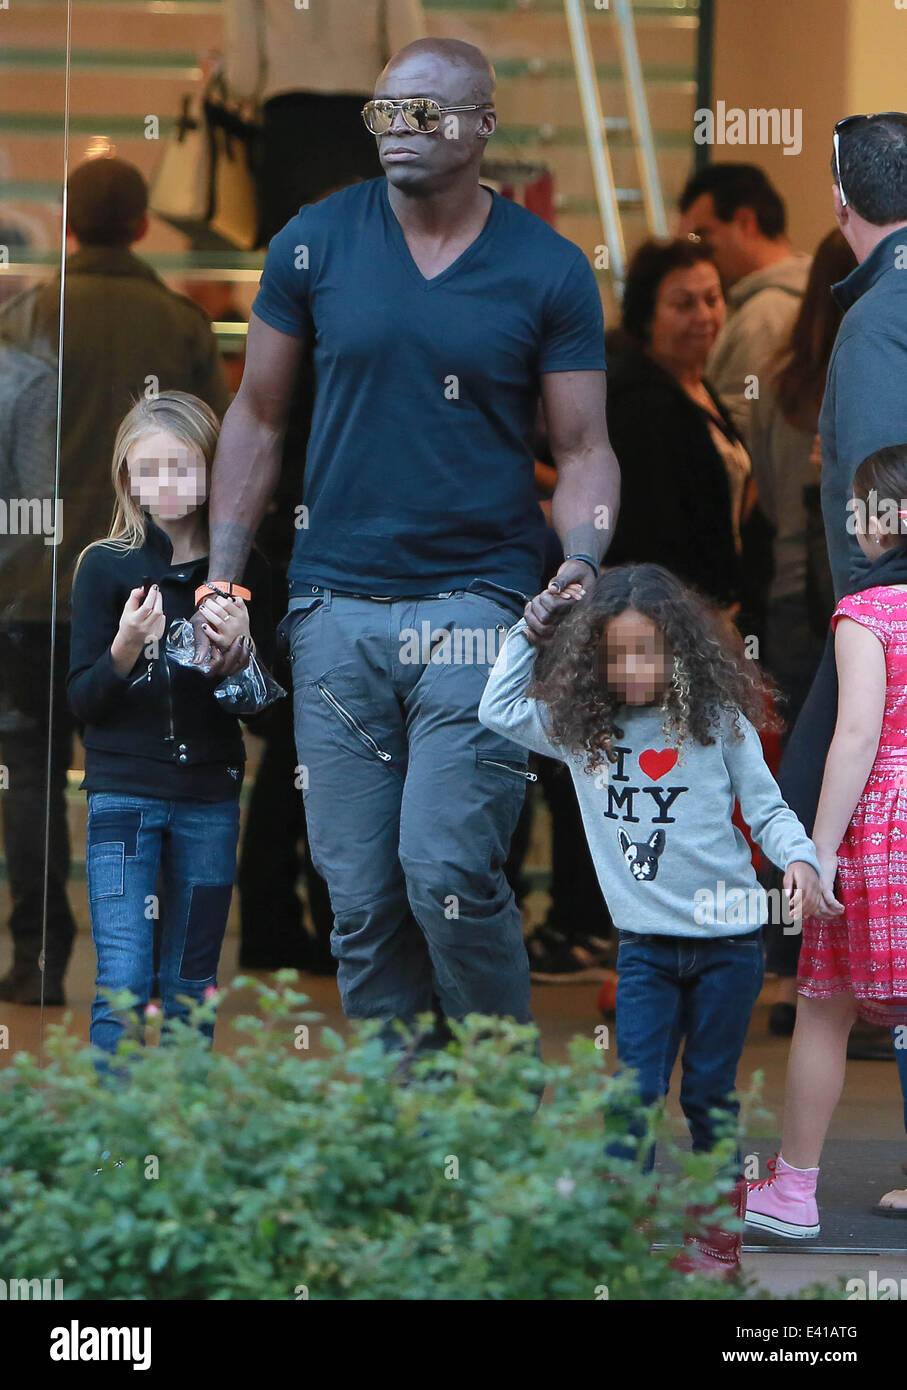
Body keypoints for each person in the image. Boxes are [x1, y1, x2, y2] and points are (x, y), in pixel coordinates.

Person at [192, 37, 620, 1047]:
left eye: (423, 114)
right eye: (383, 113)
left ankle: (500, 1102)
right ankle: (411, 1125)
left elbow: (585, 445)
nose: (396, 131)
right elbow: (254, 417)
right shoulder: (312, 242)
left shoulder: (547, 268)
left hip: (481, 604)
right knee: (359, 894)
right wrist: (221, 579)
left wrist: (582, 562)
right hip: (333, 605)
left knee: (447, 871)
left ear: (481, 126)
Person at [478, 562, 824, 1277]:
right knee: (634, 1090)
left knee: (706, 1093)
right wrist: (529, 626)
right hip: (642, 951)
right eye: (612, 654)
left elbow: (765, 807)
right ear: (590, 659)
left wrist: (798, 860)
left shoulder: (715, 720)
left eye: (646, 651)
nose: (631, 668)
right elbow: (497, 708)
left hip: (728, 946)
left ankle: (715, 1247)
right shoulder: (583, 731)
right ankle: (617, 1230)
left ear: (679, 651)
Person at [0, 157, 231, 1005]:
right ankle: (160, 972)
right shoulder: (177, 323)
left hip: (30, 583)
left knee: (27, 773)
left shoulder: (23, 314)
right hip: (150, 586)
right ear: (142, 226)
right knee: (152, 776)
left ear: (67, 222)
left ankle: (36, 960)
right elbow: (216, 454)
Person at [67, 392, 272, 1058]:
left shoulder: (244, 570)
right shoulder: (106, 565)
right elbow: (83, 703)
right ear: (126, 477)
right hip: (122, 793)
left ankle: (181, 1150)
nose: (167, 486)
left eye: (184, 468)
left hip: (209, 796)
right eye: (149, 471)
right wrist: (125, 646)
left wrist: (241, 651)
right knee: (122, 979)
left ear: (216, 470)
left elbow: (262, 710)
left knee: (190, 980)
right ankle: (114, 1155)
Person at [771, 114, 907, 1078]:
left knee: (836, 849)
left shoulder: (875, 320)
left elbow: (877, 493)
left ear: (838, 201)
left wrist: (868, 622)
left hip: (884, 626)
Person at [746, 445, 907, 1237]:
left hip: (883, 827)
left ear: (892, 518)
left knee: (822, 1008)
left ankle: (792, 1192)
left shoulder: (866, 614)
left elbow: (854, 737)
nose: (850, 519)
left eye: (859, 505)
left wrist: (816, 849)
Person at [749, 229, 855, 1037]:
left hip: (785, 600)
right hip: (850, 602)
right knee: (858, 788)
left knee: (792, 785)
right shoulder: (860, 378)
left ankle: (786, 970)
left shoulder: (781, 387)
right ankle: (852, 968)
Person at [603, 238, 747, 615]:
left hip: (714, 604)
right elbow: (651, 533)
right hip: (674, 615)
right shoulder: (639, 399)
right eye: (684, 304)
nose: (703, 316)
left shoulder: (696, 384)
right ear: (647, 316)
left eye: (712, 299)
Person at [223, 0, 427, 244]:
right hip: (364, 127)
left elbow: (244, 79)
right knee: (363, 253)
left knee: (295, 261)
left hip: (288, 126)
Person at [678, 163, 811, 444]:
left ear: (745, 223)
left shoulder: (765, 314)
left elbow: (736, 433)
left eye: (702, 235)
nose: (698, 253)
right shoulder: (799, 297)